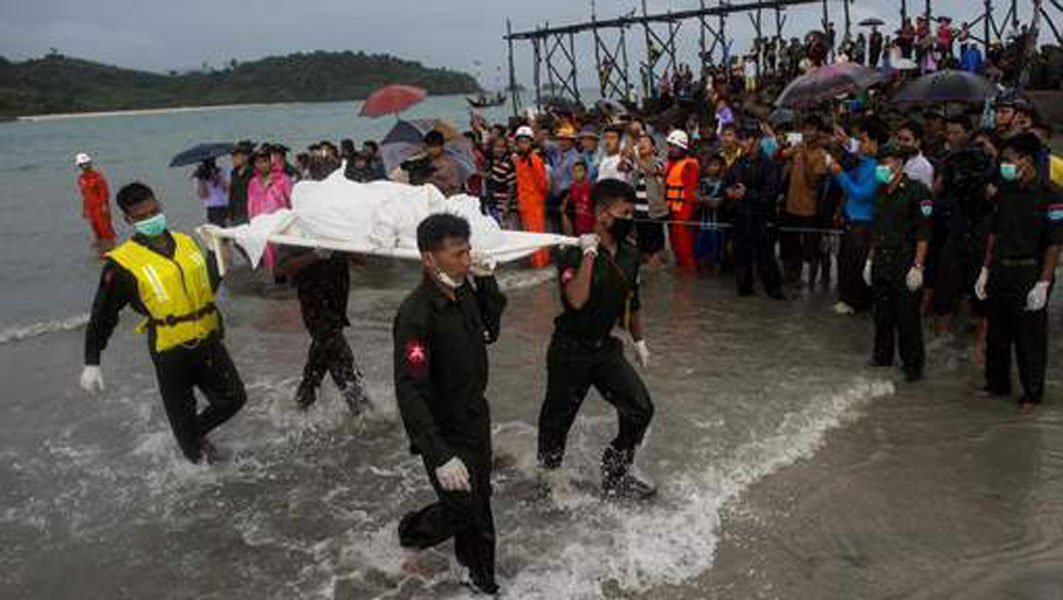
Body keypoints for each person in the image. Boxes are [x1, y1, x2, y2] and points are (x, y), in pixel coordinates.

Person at [79, 182, 246, 464]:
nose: (151, 218)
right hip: (170, 351)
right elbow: (102, 315)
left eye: (154, 211)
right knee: (190, 439)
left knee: (233, 399)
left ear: (160, 205)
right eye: (142, 216)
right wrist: (92, 362)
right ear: (129, 220)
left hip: (207, 338)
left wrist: (214, 252)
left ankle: (192, 435)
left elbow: (205, 288)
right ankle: (196, 457)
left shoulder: (185, 242)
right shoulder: (122, 264)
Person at [393, 213, 505, 595]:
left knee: (480, 503)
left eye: (468, 250)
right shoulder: (416, 315)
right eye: (457, 253)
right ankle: (412, 532)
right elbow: (409, 389)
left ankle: (478, 576)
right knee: (466, 509)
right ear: (429, 259)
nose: (466, 258)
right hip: (443, 426)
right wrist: (438, 454)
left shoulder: (464, 290)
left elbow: (492, 327)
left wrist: (487, 280)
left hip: (475, 416)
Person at [537, 179, 656, 501]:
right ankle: (550, 478)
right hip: (570, 350)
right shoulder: (571, 251)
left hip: (604, 349)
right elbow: (575, 299)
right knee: (557, 420)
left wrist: (639, 341)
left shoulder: (630, 254)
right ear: (603, 214)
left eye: (632, 212)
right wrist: (589, 254)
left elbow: (633, 301)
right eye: (625, 212)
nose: (630, 219)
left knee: (640, 408)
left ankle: (615, 470)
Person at [276, 160, 370, 414]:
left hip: (338, 301)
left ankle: (303, 400)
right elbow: (280, 268)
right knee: (341, 359)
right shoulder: (298, 222)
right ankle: (361, 409)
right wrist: (316, 255)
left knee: (320, 356)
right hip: (314, 304)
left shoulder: (340, 221)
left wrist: (347, 243)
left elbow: (362, 261)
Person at [977, 133, 1062, 411]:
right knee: (997, 334)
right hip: (1001, 268)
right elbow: (995, 232)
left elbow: (1054, 243)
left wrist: (1043, 283)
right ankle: (997, 384)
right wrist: (985, 270)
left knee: (1030, 337)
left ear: (1026, 160)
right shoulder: (1005, 190)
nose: (1004, 165)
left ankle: (1032, 393)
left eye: (1008, 160)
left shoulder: (1051, 195)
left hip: (1030, 271)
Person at [865, 144, 932, 382]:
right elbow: (877, 229)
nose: (883, 167)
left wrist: (918, 266)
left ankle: (913, 366)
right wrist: (870, 261)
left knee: (907, 317)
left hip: (905, 259)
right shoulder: (881, 191)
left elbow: (924, 233)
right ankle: (882, 357)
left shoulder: (917, 191)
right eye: (880, 163)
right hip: (882, 258)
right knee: (882, 314)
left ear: (900, 164)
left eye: (888, 162)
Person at [831, 118, 887, 314]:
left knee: (858, 264)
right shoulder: (863, 161)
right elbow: (848, 186)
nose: (861, 144)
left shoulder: (881, 168)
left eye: (864, 140)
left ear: (875, 142)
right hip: (851, 219)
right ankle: (847, 298)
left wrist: (840, 174)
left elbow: (862, 194)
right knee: (846, 261)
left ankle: (858, 302)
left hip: (864, 222)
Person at [724, 125, 784, 298]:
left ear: (757, 141)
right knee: (741, 258)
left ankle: (774, 293)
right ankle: (745, 291)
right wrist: (728, 192)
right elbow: (726, 182)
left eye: (746, 139)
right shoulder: (738, 162)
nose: (742, 143)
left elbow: (771, 194)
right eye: (741, 139)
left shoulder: (769, 165)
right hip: (741, 218)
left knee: (765, 258)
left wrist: (747, 194)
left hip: (761, 219)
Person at [778, 116, 831, 288]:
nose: (808, 132)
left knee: (811, 249)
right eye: (805, 129)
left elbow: (813, 183)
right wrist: (782, 147)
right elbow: (779, 156)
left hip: (809, 209)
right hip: (790, 206)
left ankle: (811, 283)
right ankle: (791, 277)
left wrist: (807, 158)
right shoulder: (798, 148)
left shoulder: (821, 155)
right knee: (789, 244)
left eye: (812, 129)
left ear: (818, 132)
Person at [513, 125, 551, 268]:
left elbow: (543, 183)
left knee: (537, 233)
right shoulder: (521, 160)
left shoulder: (534, 160)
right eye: (520, 142)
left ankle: (540, 262)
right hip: (525, 203)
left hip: (534, 203)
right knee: (531, 234)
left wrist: (538, 199)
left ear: (530, 143)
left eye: (525, 142)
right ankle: (536, 262)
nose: (522, 145)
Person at [663, 130, 701, 270]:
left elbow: (690, 192)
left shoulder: (689, 165)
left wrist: (687, 216)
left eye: (674, 146)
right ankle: (682, 277)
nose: (671, 149)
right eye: (670, 146)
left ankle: (689, 280)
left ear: (683, 148)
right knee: (675, 248)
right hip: (672, 212)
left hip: (683, 214)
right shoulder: (670, 164)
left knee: (685, 249)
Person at [631, 134, 668, 266]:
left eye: (645, 142)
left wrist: (635, 158)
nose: (641, 144)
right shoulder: (635, 165)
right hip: (638, 212)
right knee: (642, 250)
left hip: (654, 212)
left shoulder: (659, 161)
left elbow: (651, 170)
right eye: (639, 142)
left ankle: (657, 277)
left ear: (653, 148)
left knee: (655, 249)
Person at [76, 152, 117, 256]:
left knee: (105, 229)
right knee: (95, 229)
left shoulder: (98, 176)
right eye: (83, 164)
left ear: (90, 163)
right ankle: (101, 249)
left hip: (100, 207)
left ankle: (111, 249)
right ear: (80, 166)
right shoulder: (81, 179)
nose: (85, 165)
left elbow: (104, 192)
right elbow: (84, 195)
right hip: (91, 208)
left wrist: (104, 205)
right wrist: (84, 209)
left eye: (86, 163)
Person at [483, 135, 517, 228]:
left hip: (505, 206)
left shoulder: (508, 164)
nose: (500, 150)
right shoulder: (490, 163)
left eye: (503, 147)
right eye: (497, 147)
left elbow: (512, 186)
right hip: (493, 204)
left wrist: (507, 205)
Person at [422, 130, 462, 197]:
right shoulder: (424, 161)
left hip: (445, 199)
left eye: (435, 146)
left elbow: (455, 186)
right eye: (429, 146)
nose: (431, 150)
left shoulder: (449, 162)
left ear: (441, 146)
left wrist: (432, 180)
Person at [896, 121, 935, 188]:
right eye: (899, 139)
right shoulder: (894, 159)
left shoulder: (924, 166)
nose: (901, 143)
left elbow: (925, 194)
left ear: (917, 142)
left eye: (906, 140)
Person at [560, 160, 593, 236]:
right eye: (574, 171)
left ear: (586, 172)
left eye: (580, 170)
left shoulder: (591, 189)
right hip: (576, 227)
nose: (576, 173)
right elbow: (567, 209)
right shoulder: (571, 188)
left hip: (589, 228)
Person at [193, 158, 229, 227]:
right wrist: (202, 179)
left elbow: (226, 189)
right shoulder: (200, 176)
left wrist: (218, 177)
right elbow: (203, 195)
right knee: (216, 232)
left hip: (225, 205)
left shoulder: (221, 171)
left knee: (227, 230)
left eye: (212, 163)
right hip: (212, 208)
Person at [228, 142, 254, 226]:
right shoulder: (234, 172)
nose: (233, 158)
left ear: (246, 157)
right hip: (236, 212)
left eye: (236, 155)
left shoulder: (253, 172)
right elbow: (232, 195)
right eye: (232, 156)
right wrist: (229, 215)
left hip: (249, 212)